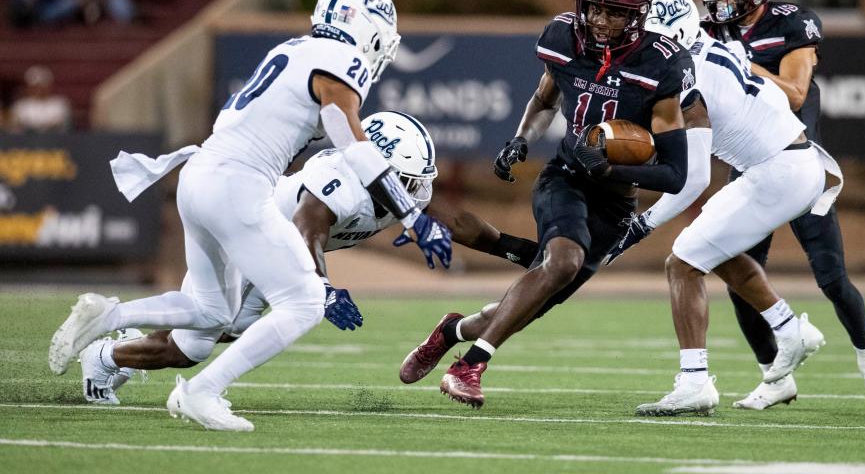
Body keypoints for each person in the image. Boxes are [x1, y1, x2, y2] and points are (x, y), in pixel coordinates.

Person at [48, 0, 453, 431]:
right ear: (369, 31)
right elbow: (354, 146)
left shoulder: (297, 48)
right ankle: (202, 392)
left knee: (211, 311)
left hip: (200, 174)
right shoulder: (343, 59)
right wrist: (412, 215)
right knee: (303, 303)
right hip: (237, 185)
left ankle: (110, 315)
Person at [80, 111, 539, 405]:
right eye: (403, 178)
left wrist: (516, 250)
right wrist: (323, 288)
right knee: (191, 347)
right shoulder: (340, 179)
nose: (413, 189)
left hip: (272, 251)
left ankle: (129, 341)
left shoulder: (394, 183)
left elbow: (452, 220)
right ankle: (105, 355)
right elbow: (307, 231)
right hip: (247, 235)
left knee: (221, 332)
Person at [412, 0, 694, 409]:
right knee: (561, 263)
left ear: (637, 16)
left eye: (616, 12)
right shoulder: (564, 38)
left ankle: (452, 331)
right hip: (564, 178)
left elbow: (675, 175)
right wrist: (522, 139)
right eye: (595, 9)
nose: (602, 21)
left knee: (532, 301)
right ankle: (470, 367)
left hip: (616, 203)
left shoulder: (660, 65)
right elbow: (546, 95)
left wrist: (609, 169)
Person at [608, 0, 832, 416]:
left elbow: (692, 182)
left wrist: (640, 225)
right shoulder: (706, 44)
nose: (630, 41)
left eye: (640, 31)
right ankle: (789, 330)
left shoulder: (685, 72)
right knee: (713, 250)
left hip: (778, 170)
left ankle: (694, 382)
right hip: (788, 161)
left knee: (682, 262)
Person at [696, 0, 865, 413]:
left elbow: (795, 95)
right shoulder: (708, 32)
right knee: (741, 280)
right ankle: (775, 376)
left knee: (831, 278)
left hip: (797, 165)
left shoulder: (791, 23)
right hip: (748, 169)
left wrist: (740, 64)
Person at [8, 65, 72, 133]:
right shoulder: (20, 105)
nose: (38, 90)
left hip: (54, 141)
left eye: (42, 86)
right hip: (27, 142)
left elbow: (61, 125)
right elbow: (15, 126)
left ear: (48, 86)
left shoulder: (59, 104)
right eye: (35, 86)